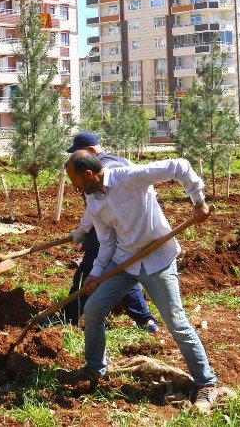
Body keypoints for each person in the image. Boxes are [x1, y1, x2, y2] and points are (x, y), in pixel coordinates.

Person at [64, 150, 219, 414]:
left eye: (75, 181)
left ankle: (206, 383)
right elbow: (107, 241)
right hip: (124, 261)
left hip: (157, 258)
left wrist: (198, 201)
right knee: (93, 309)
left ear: (89, 174)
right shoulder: (93, 201)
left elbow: (179, 166)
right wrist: (95, 273)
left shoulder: (129, 177)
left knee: (175, 322)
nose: (74, 187)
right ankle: (94, 368)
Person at [63, 132, 159, 332]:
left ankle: (67, 319)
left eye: (77, 153)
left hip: (110, 230)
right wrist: (82, 230)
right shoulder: (119, 160)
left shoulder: (102, 169)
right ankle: (145, 320)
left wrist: (82, 230)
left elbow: (98, 204)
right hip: (123, 228)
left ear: (90, 151)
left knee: (86, 274)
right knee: (122, 270)